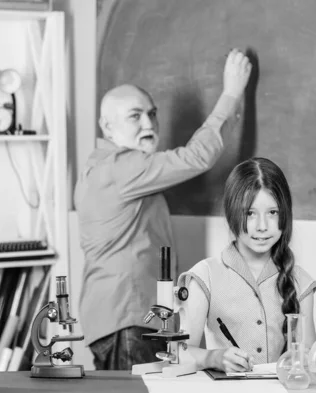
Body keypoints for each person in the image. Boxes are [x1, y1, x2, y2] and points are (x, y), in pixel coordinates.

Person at [73, 49, 252, 370]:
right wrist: (231, 94)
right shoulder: (120, 168)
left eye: (152, 114)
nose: (148, 123)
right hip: (128, 318)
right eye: (134, 116)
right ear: (106, 126)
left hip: (118, 318)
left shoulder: (100, 170)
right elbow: (196, 157)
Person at [178, 157, 316, 373]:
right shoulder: (205, 275)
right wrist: (213, 358)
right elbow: (179, 353)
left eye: (273, 213)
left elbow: (309, 358)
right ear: (231, 213)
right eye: (250, 213)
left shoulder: (300, 282)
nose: (262, 226)